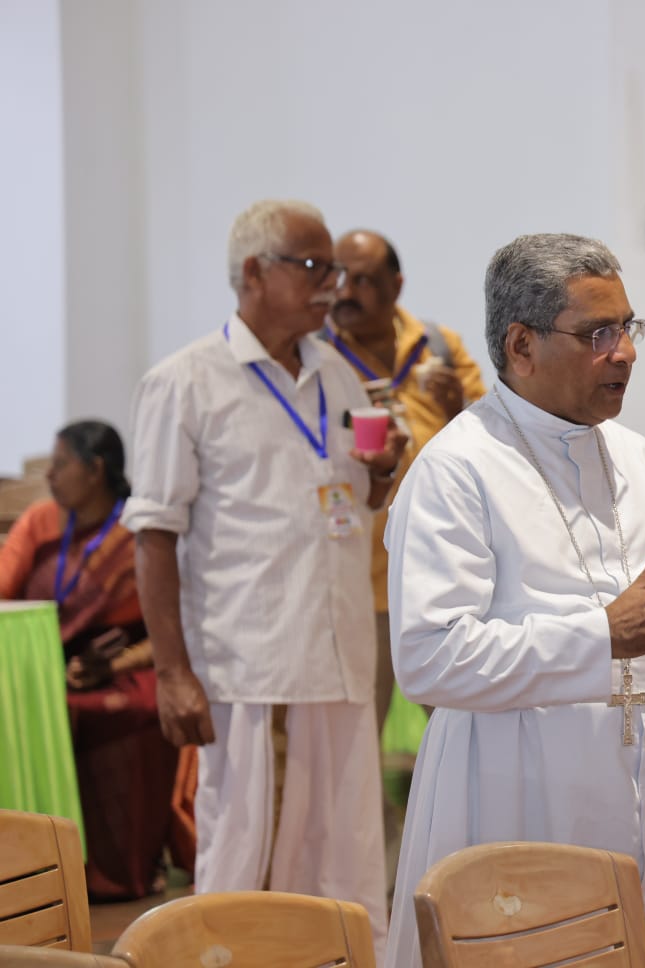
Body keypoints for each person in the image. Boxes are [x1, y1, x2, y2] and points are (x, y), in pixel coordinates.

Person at [382, 233, 645, 968]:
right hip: (520, 803)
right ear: (522, 345)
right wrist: (600, 636)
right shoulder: (457, 469)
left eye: (628, 328)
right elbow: (428, 658)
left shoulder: (642, 460)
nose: (625, 353)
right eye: (597, 334)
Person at [123, 199, 404, 957]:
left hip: (341, 657)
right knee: (248, 858)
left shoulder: (338, 374)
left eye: (333, 268)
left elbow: (356, 500)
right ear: (254, 272)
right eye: (314, 267)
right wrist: (172, 673)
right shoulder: (185, 382)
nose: (332, 285)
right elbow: (153, 537)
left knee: (346, 857)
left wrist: (383, 473)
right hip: (252, 667)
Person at [0, 421, 190, 900]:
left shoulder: (139, 532)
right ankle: (33, 867)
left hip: (127, 665)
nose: (49, 475)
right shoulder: (41, 521)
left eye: (60, 464)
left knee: (132, 710)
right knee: (33, 708)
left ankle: (121, 869)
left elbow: (170, 624)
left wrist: (112, 666)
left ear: (95, 470)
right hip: (46, 668)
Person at [328, 228, 487, 729]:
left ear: (396, 285)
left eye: (362, 280)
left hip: (441, 569)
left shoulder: (438, 346)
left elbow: (495, 441)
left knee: (465, 724)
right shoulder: (317, 360)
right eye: (338, 277)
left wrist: (456, 406)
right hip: (358, 578)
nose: (345, 291)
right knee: (355, 735)